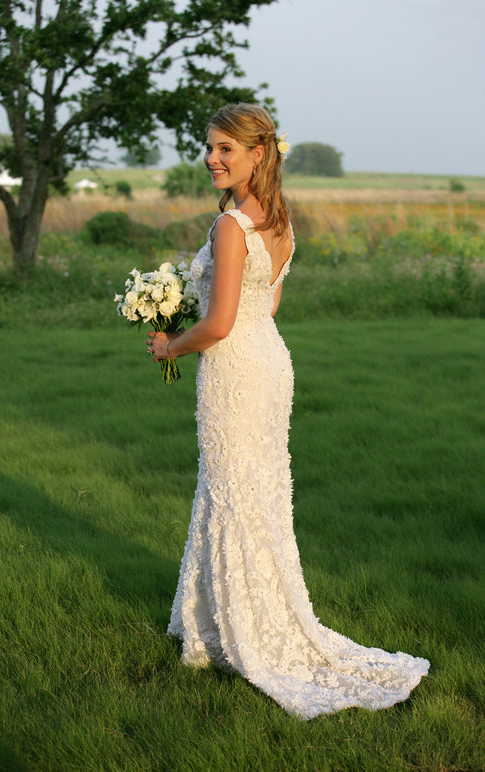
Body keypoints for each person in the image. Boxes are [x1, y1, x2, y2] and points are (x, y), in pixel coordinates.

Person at [146, 103, 429, 719]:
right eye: (209, 147)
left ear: (257, 154)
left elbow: (219, 323)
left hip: (234, 371)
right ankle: (220, 621)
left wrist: (169, 342)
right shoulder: (278, 219)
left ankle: (242, 634)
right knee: (254, 494)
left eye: (225, 148)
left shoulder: (230, 226)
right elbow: (264, 308)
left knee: (232, 492)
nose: (212, 158)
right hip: (269, 364)